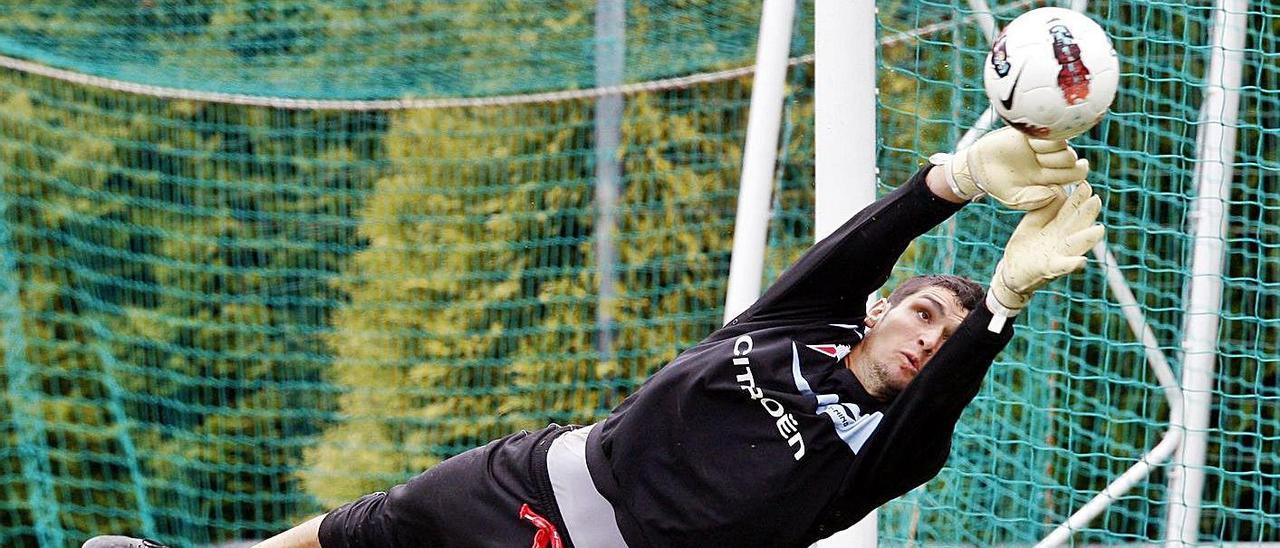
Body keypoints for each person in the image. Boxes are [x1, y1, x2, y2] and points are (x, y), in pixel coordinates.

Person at [84, 127, 1103, 548]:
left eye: (949, 333)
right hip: (522, 471)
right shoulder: (798, 326)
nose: (931, 333)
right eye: (925, 308)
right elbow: (859, 246)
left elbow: (939, 403)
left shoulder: (875, 451)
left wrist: (1001, 300)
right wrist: (952, 181)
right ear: (879, 308)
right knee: (352, 532)